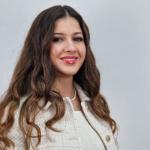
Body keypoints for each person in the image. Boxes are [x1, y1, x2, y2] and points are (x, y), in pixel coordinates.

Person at [0, 5, 118, 150]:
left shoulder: (96, 105)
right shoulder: (18, 114)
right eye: (57, 39)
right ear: (40, 46)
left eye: (77, 39)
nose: (71, 47)